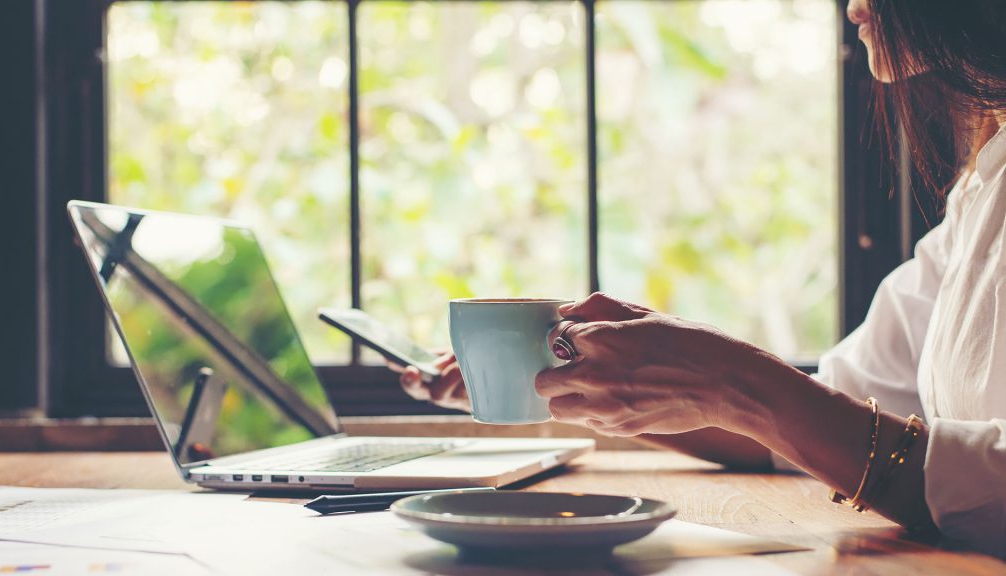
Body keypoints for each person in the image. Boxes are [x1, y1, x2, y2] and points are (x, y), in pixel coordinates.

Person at [395, 0, 1006, 557]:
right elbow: (814, 427)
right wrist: (597, 385)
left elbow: (819, 428)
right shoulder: (982, 185)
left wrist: (734, 382)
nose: (853, 7)